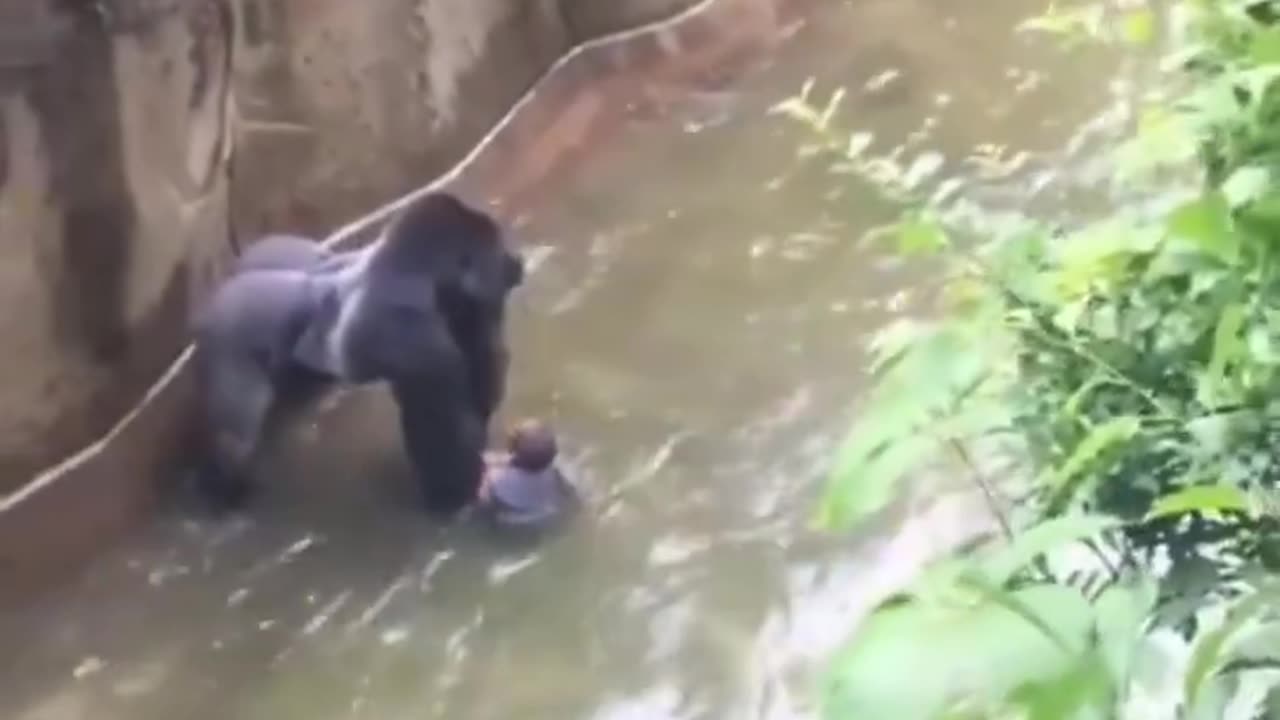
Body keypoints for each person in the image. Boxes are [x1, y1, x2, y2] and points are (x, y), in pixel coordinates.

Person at [476, 418, 579, 532]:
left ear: (512, 449)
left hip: (508, 514)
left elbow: (483, 492)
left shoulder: (496, 478)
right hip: (542, 515)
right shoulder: (555, 474)